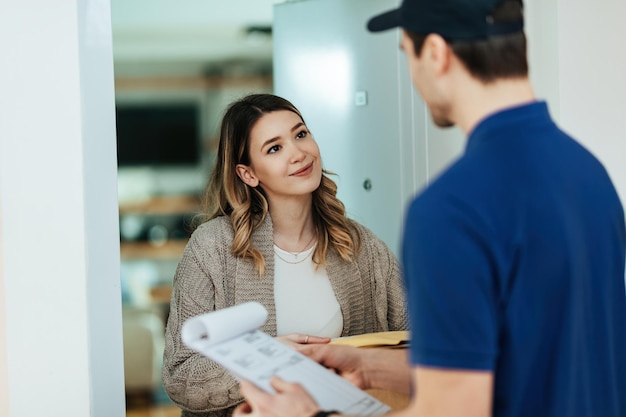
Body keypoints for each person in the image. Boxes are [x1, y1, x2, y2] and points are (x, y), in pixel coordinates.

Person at [232, 1, 626, 417]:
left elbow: (454, 409)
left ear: (436, 53)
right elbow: (512, 364)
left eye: (407, 54)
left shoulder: (450, 208)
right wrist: (369, 365)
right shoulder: (588, 173)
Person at [162, 93, 409, 417]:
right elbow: (180, 376)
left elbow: (416, 343)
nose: (299, 153)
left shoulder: (362, 247)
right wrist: (267, 361)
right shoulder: (211, 249)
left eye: (301, 134)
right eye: (275, 148)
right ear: (248, 174)